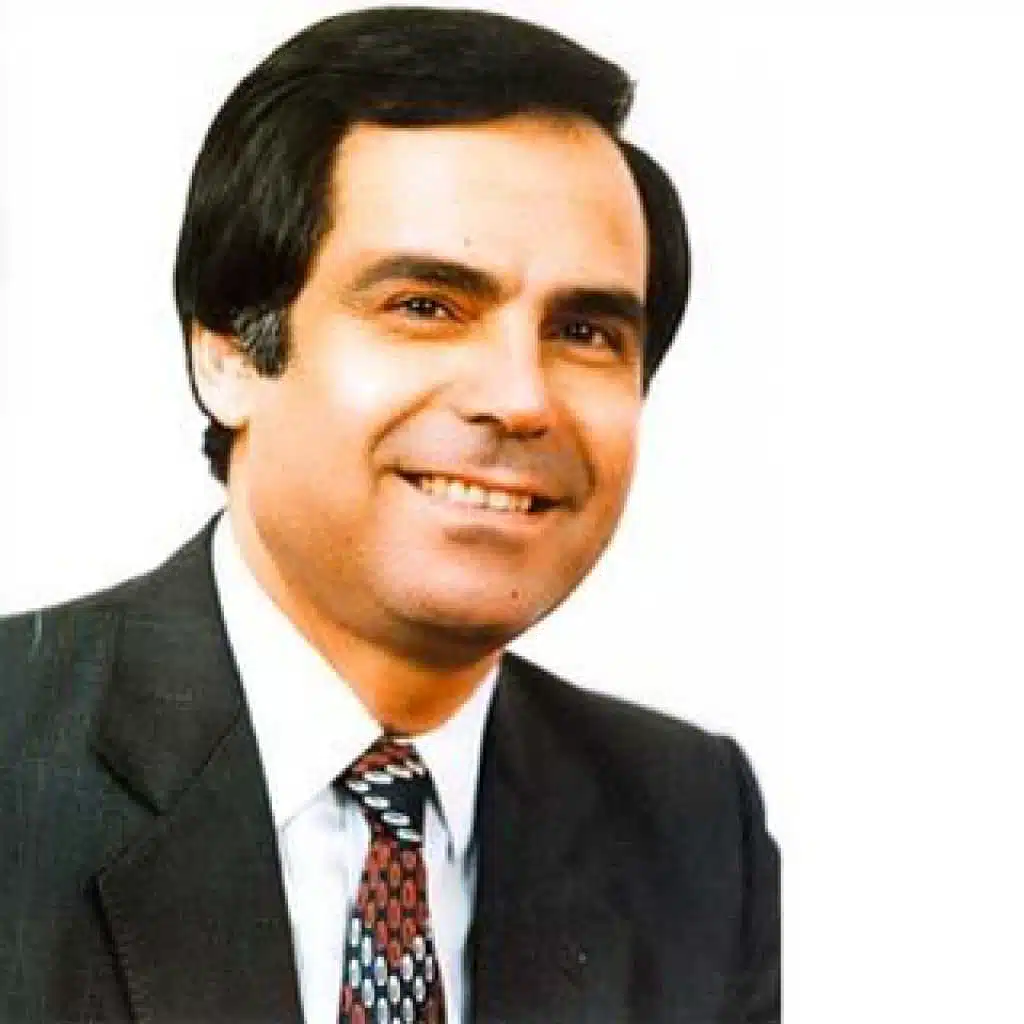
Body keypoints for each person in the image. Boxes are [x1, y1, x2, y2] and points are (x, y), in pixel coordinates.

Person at [0, 7, 779, 1023]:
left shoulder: (693, 823)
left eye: (585, 331)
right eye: (426, 306)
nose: (521, 398)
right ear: (227, 352)